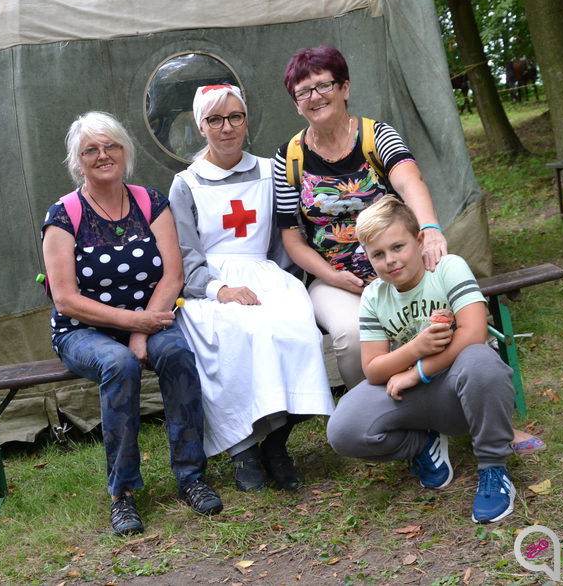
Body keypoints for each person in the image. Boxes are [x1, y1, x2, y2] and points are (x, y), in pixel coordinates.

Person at [42, 111, 222, 537]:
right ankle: (122, 495)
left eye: (112, 146)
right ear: (78, 162)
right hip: (82, 330)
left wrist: (142, 329)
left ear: (126, 152)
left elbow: (173, 276)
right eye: (91, 150)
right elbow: (66, 297)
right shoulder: (64, 215)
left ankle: (192, 476)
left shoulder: (150, 202)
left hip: (151, 320)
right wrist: (131, 322)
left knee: (177, 352)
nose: (103, 155)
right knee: (119, 364)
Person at [169, 85, 334, 492]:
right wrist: (219, 289)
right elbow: (186, 254)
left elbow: (283, 240)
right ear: (200, 126)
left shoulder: (268, 170)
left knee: (297, 329)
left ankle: (276, 441)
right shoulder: (186, 184)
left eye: (235, 117)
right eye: (215, 120)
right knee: (238, 335)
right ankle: (244, 448)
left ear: (246, 120)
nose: (227, 128)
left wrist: (280, 283)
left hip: (266, 274)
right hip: (209, 285)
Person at [326, 195, 517, 524]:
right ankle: (422, 444)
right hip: (410, 397)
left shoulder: (447, 268)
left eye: (398, 247)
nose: (390, 261)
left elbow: (473, 332)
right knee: (343, 429)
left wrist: (418, 371)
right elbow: (373, 370)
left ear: (418, 241)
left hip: (462, 391)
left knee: (481, 361)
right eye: (378, 254)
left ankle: (493, 469)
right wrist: (416, 348)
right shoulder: (374, 295)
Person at [272, 45, 448, 389]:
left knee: (440, 315)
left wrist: (430, 229)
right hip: (334, 279)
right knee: (352, 338)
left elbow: (409, 180)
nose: (315, 96)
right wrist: (333, 277)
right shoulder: (288, 158)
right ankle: (376, 419)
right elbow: (291, 237)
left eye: (324, 85)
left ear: (345, 88)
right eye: (303, 91)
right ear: (296, 103)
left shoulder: (377, 136)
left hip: (398, 263)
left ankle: (445, 400)